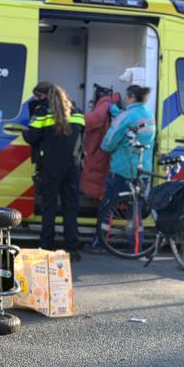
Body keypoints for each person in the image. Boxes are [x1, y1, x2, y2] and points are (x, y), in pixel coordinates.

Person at [23, 84, 86, 261]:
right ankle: (72, 250)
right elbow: (82, 133)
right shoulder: (77, 113)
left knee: (49, 208)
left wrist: (24, 130)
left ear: (43, 96)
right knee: (70, 209)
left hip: (50, 167)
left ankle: (46, 247)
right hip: (72, 167)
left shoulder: (42, 113)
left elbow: (32, 137)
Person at [98, 84, 157, 225]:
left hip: (123, 170)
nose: (124, 98)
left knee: (108, 206)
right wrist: (114, 110)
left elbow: (107, 144)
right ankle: (136, 240)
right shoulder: (148, 114)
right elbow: (130, 122)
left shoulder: (126, 116)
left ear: (132, 97)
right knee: (135, 211)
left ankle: (101, 237)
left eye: (126, 96)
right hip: (142, 171)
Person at [81, 85, 121, 202]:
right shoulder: (112, 106)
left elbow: (91, 120)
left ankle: (97, 198)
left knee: (95, 173)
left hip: (99, 149)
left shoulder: (103, 105)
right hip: (106, 150)